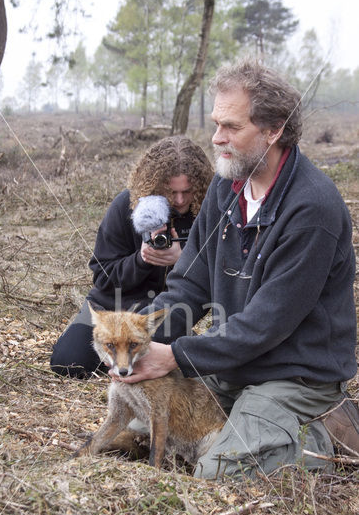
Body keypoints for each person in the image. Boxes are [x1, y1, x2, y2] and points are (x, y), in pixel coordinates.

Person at [116, 60, 357, 479]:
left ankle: (327, 434)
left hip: (293, 376)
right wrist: (139, 341)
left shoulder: (312, 209)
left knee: (220, 473)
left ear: (273, 130)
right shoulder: (227, 188)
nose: (216, 138)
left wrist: (174, 356)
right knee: (136, 434)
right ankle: (246, 427)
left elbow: (265, 326)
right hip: (232, 367)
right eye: (215, 124)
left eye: (231, 127)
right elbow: (188, 285)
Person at [50, 135, 214, 378]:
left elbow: (220, 273)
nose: (180, 201)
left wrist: (184, 258)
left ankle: (146, 354)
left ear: (200, 186)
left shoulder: (211, 210)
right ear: (156, 184)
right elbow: (102, 276)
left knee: (185, 364)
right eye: (172, 192)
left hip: (164, 311)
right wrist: (141, 260)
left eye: (188, 192)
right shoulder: (126, 205)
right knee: (67, 363)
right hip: (112, 305)